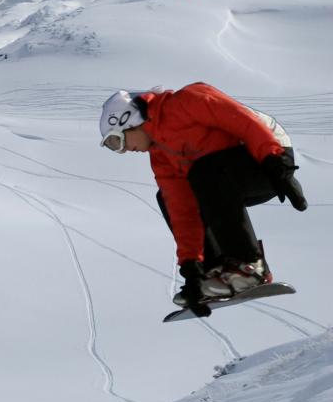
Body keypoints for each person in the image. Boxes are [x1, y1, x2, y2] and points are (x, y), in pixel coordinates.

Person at [100, 85, 307, 313]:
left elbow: (243, 121)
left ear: (130, 121)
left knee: (204, 172)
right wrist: (191, 267)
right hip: (224, 179)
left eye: (118, 142)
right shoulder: (160, 157)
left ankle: (249, 266)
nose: (124, 150)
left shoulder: (184, 103)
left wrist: (275, 162)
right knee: (170, 197)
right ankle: (214, 271)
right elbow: (183, 212)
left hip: (268, 155)